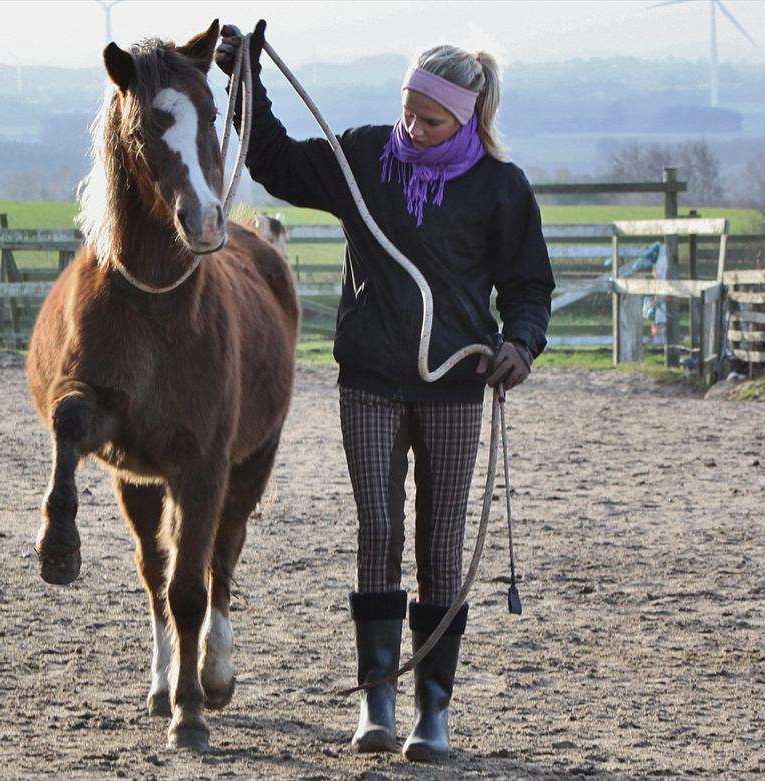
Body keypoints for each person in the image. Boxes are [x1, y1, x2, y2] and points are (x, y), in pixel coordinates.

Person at [216, 21, 554, 763]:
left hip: (457, 385)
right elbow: (274, 161)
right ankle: (378, 700)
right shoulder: (366, 155)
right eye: (409, 110)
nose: (414, 126)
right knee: (379, 530)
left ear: (466, 117)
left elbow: (528, 286)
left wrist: (519, 343)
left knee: (440, 541)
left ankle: (434, 710)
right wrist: (246, 80)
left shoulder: (500, 188)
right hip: (369, 379)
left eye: (431, 119)